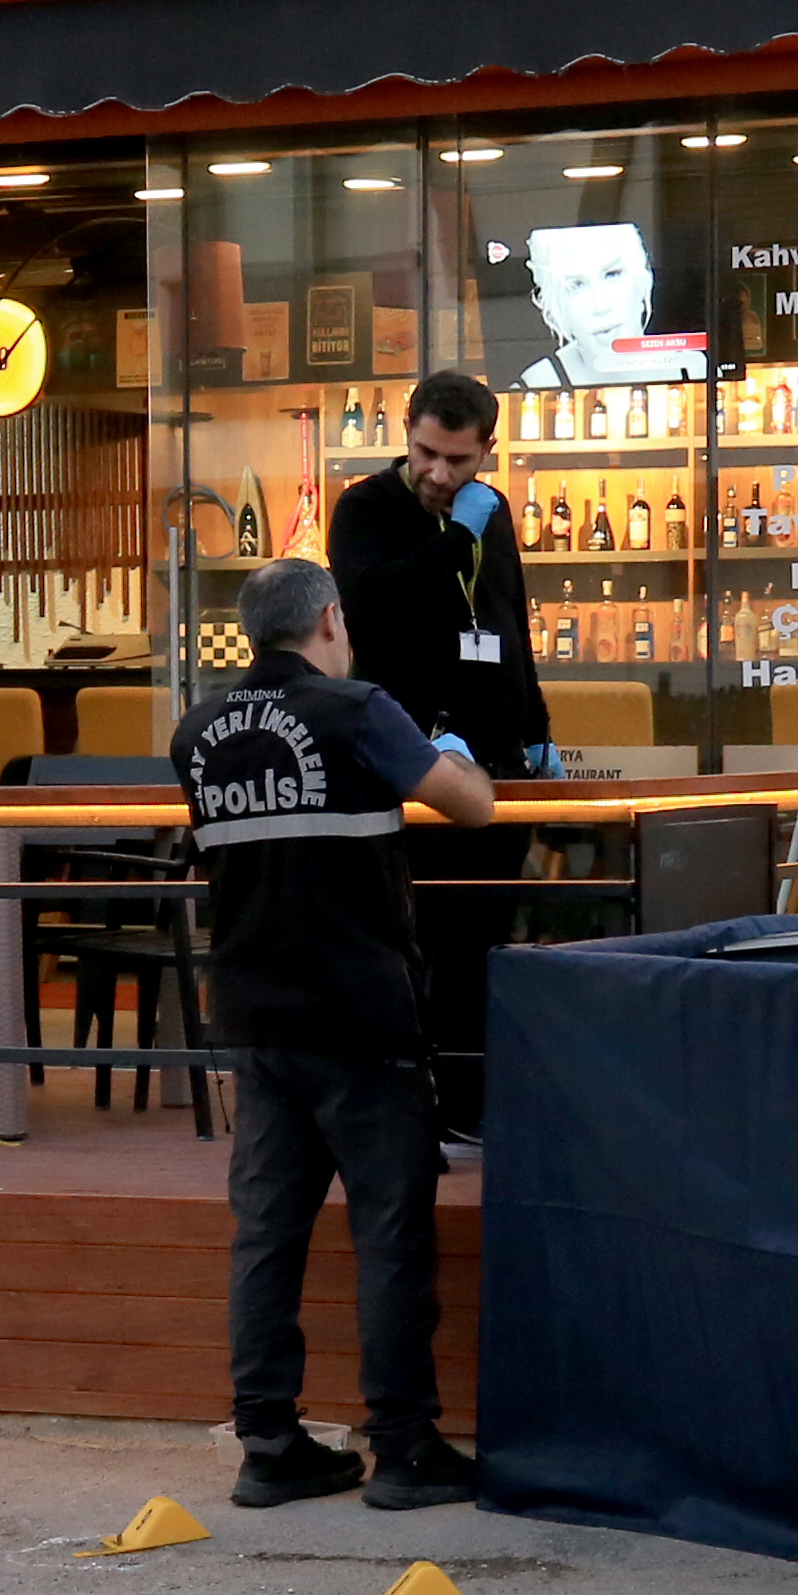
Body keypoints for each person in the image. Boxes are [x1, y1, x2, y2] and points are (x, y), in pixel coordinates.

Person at [173, 555, 500, 1511]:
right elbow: (471, 806)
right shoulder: (359, 709)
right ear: (328, 619)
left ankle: (268, 1441)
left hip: (255, 1017)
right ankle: (401, 1447)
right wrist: (453, 750)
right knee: (391, 1233)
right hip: (363, 1017)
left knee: (267, 1235)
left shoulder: (196, 733)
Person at [325, 369, 548, 1136]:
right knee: (414, 934)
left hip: (495, 749)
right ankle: (411, 1102)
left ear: (487, 449)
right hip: (404, 751)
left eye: (459, 460)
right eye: (426, 453)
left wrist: (538, 725)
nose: (439, 474)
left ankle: (473, 1100)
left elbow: (511, 621)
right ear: (406, 432)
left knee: (486, 936)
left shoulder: (492, 512)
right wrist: (457, 536)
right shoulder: (365, 508)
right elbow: (374, 610)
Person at [516, 224, 704, 389]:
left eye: (612, 274)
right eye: (576, 285)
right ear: (553, 302)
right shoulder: (536, 383)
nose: (600, 305)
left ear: (642, 278)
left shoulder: (694, 368)